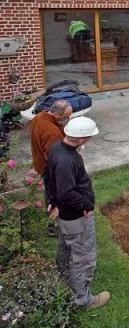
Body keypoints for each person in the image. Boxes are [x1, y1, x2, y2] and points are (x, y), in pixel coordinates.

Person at [45, 116, 110, 309]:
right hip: (76, 217)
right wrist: (87, 205)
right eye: (88, 137)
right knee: (83, 255)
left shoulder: (56, 149)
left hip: (65, 215)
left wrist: (51, 201)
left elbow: (47, 176)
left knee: (66, 247)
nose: (88, 140)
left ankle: (64, 281)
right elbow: (67, 193)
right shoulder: (68, 159)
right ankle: (83, 299)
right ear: (81, 139)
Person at [30, 100, 73, 236]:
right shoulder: (51, 132)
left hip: (41, 164)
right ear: (55, 113)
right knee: (54, 196)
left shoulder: (39, 117)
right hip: (50, 171)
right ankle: (53, 226)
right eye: (65, 117)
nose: (67, 119)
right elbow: (55, 158)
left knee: (49, 194)